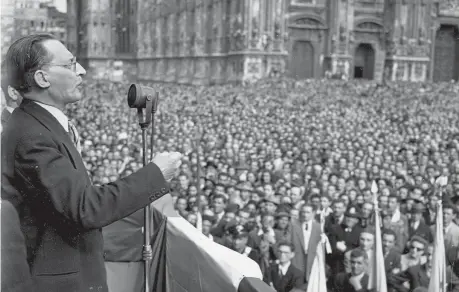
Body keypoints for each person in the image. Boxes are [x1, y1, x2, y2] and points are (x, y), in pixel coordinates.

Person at [1, 34, 182, 292]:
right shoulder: (32, 135)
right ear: (42, 78)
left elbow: (72, 200)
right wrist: (156, 175)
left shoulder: (37, 124)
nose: (82, 71)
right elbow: (85, 209)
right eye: (70, 65)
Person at [290, 203, 321, 283]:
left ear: (313, 213)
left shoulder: (318, 227)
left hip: (312, 260)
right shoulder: (294, 226)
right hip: (297, 259)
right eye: (303, 212)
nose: (305, 215)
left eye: (307, 212)